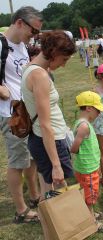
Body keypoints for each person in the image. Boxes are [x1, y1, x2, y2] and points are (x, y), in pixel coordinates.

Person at [21, 30, 76, 198]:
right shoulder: (40, 76)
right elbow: (45, 123)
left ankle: (56, 223)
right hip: (49, 140)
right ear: (54, 52)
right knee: (60, 189)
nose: (64, 64)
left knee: (49, 189)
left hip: (43, 138)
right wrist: (56, 165)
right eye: (64, 59)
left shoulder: (30, 68)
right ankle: (78, 223)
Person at [0, 6, 42, 224]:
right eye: (33, 31)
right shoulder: (0, 44)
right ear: (19, 23)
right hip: (10, 114)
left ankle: (34, 196)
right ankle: (21, 211)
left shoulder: (22, 46)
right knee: (17, 161)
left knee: (30, 156)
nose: (33, 36)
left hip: (26, 110)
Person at [70, 91, 103, 232]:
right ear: (89, 108)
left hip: (87, 168)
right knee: (89, 196)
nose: (99, 113)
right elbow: (74, 148)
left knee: (87, 193)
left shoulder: (83, 124)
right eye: (97, 110)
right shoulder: (84, 126)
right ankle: (92, 222)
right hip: (87, 170)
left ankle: (91, 214)